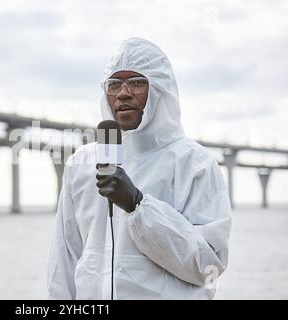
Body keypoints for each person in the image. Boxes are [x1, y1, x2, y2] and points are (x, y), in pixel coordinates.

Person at [47, 37, 232, 299]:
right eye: (114, 84)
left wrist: (138, 206)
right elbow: (63, 259)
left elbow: (208, 265)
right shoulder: (81, 164)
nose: (123, 93)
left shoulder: (195, 163)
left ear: (159, 89)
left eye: (136, 82)